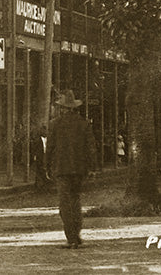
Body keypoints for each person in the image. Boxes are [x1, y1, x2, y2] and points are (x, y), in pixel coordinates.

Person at [45, 89, 97, 249]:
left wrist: (47, 166)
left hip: (61, 169)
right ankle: (77, 233)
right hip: (79, 169)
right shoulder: (84, 124)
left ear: (62, 108)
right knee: (75, 201)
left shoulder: (54, 124)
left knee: (64, 203)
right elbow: (91, 147)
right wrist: (92, 167)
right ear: (73, 108)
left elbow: (50, 148)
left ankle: (71, 237)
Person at [30, 123, 50, 189]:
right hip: (40, 157)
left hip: (46, 156)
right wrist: (34, 156)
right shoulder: (38, 140)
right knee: (39, 170)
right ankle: (39, 185)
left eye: (46, 131)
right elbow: (35, 149)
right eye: (44, 131)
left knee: (43, 170)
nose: (45, 132)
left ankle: (43, 184)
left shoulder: (49, 139)